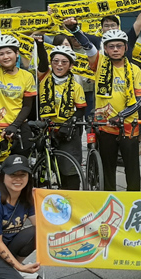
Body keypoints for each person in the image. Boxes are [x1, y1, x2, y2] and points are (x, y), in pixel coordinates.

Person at [89, 29, 141, 192]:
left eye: (119, 46)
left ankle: (134, 201)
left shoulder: (135, 70)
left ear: (126, 48)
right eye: (111, 46)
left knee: (132, 169)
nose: (115, 49)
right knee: (108, 169)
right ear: (105, 49)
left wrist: (121, 116)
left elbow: (140, 100)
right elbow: (87, 46)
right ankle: (110, 201)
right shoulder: (99, 65)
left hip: (129, 128)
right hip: (106, 126)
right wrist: (74, 29)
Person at [34, 38, 87, 190]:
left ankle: (70, 198)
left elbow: (81, 109)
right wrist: (39, 44)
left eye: (64, 62)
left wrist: (69, 123)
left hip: (67, 130)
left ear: (71, 65)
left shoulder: (76, 86)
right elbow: (43, 62)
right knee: (43, 166)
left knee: (68, 170)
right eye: (56, 61)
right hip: (46, 128)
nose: (59, 65)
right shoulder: (45, 78)